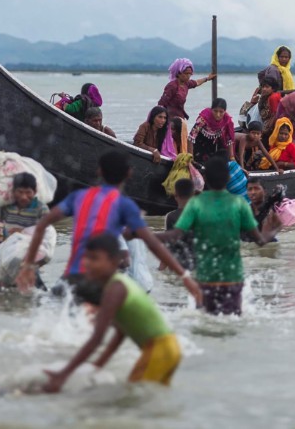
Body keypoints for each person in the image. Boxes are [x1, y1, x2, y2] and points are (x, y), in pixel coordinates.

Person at [15, 152, 201, 304]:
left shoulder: (78, 197)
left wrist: (29, 265)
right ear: (129, 173)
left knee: (53, 311)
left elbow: (41, 226)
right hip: (102, 284)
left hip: (72, 278)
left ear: (99, 171)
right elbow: (152, 243)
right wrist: (184, 276)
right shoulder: (126, 206)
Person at [41, 234, 181, 393]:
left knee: (134, 399)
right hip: (167, 347)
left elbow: (97, 339)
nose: (87, 263)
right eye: (86, 257)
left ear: (115, 261)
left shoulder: (115, 290)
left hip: (159, 350)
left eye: (94, 258)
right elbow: (121, 333)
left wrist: (64, 374)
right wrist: (99, 364)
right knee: (144, 398)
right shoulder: (117, 285)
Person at [158, 157, 279, 316]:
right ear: (228, 179)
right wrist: (274, 230)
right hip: (232, 274)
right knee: (233, 320)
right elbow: (260, 240)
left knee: (207, 319)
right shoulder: (239, 203)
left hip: (205, 275)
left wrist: (141, 234)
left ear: (205, 178)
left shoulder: (196, 203)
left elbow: (175, 234)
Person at [0, 172, 50, 250]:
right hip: (8, 248)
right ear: (13, 191)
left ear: (35, 192)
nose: (24, 197)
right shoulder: (6, 207)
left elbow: (47, 233)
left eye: (28, 192)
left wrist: (22, 232)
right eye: (20, 192)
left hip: (30, 249)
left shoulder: (41, 208)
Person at [161, 178, 196, 271]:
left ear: (175, 195)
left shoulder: (172, 217)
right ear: (193, 195)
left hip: (180, 268)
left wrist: (160, 270)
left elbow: (168, 248)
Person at [189, 98, 235, 165]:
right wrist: (190, 159)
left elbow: (229, 140)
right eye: (215, 111)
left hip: (215, 146)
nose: (218, 114)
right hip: (200, 147)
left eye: (221, 112)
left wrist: (232, 159)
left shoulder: (227, 120)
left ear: (225, 111)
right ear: (211, 110)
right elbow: (191, 138)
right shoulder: (203, 119)